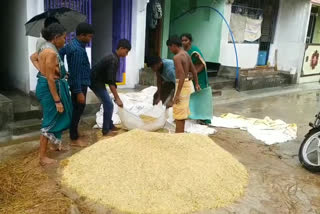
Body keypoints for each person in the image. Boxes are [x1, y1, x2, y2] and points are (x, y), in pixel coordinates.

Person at [30, 23, 72, 165]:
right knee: (50, 119)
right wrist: (57, 101)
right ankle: (42, 157)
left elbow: (33, 57)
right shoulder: (51, 52)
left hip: (47, 85)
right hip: (49, 89)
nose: (65, 41)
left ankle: (55, 145)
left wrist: (44, 70)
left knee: (57, 116)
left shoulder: (46, 47)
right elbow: (49, 79)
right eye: (64, 38)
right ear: (56, 37)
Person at [59, 22, 94, 147]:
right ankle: (74, 138)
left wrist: (62, 69)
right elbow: (76, 72)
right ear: (82, 35)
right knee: (77, 110)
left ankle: (75, 133)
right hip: (79, 84)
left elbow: (61, 52)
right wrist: (79, 91)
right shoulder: (77, 50)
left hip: (77, 82)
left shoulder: (73, 44)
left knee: (77, 109)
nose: (90, 39)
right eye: (89, 37)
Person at [90, 39, 131, 136]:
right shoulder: (113, 59)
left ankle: (110, 125)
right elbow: (111, 82)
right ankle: (105, 130)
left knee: (108, 103)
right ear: (121, 48)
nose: (126, 54)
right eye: (126, 52)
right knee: (109, 104)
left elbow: (111, 80)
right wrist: (117, 98)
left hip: (99, 81)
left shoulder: (114, 57)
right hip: (95, 82)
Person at [166, 36, 200, 133]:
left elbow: (181, 76)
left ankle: (179, 137)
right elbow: (194, 70)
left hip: (182, 86)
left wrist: (177, 95)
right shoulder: (186, 54)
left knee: (179, 115)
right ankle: (180, 135)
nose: (170, 50)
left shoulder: (177, 57)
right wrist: (196, 83)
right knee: (182, 113)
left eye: (169, 48)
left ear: (173, 46)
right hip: (188, 85)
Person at [181, 33, 212, 125]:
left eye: (185, 40)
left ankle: (206, 119)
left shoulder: (194, 51)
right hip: (191, 76)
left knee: (201, 95)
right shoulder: (185, 51)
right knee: (193, 96)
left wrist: (194, 73)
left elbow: (202, 64)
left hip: (199, 76)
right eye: (182, 40)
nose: (183, 42)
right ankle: (197, 115)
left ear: (190, 41)